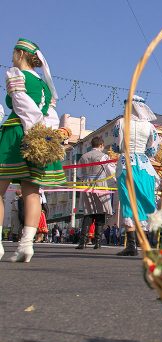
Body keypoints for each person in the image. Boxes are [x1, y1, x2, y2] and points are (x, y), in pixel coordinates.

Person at [0, 39, 65, 262]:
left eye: (13, 53)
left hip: (17, 134)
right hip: (39, 136)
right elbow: (51, 117)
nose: (11, 58)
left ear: (20, 54)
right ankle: (27, 245)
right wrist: (44, 138)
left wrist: (31, 132)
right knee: (32, 192)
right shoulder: (46, 86)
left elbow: (21, 104)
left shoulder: (16, 74)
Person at [113, 95, 159, 256]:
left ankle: (131, 245)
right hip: (145, 167)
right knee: (145, 201)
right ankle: (145, 243)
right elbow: (153, 150)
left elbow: (117, 146)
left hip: (126, 165)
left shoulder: (120, 123)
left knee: (128, 202)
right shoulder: (150, 127)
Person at [76, 136, 115, 250]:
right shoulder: (103, 156)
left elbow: (79, 174)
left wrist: (85, 178)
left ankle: (82, 242)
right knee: (100, 212)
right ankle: (97, 242)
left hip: (87, 184)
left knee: (88, 212)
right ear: (101, 145)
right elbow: (110, 170)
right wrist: (116, 180)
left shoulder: (83, 157)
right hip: (100, 184)